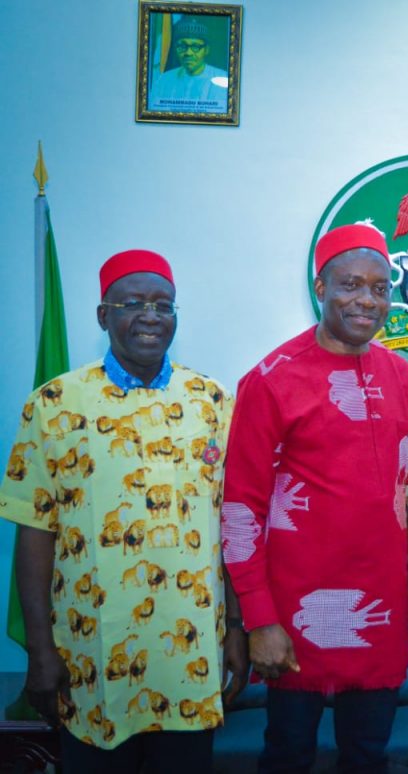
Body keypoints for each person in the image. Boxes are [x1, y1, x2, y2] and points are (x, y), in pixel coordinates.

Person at [0, 250, 245, 771]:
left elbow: (233, 525)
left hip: (190, 655)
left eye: (164, 305)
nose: (151, 316)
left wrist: (238, 633)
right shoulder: (54, 404)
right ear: (102, 315)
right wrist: (40, 651)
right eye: (133, 303)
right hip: (91, 655)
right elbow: (34, 531)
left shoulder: (213, 402)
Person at [221, 224, 408, 773]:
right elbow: (240, 512)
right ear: (320, 287)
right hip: (292, 619)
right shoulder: (270, 380)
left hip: (376, 617)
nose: (367, 300)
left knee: (367, 757)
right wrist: (258, 620)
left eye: (380, 289)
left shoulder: (404, 377)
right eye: (351, 284)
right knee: (286, 757)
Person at [148, 17, 228, 114]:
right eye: (182, 46)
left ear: (206, 50)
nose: (188, 53)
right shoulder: (164, 80)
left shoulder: (223, 79)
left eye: (195, 47)